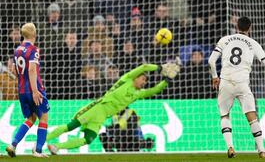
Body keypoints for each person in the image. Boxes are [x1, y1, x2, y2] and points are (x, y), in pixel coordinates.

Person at [46, 62, 181, 154]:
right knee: (70, 126)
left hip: (102, 117)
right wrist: (159, 67)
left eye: (145, 81)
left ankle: (56, 147)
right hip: (97, 107)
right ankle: (41, 141)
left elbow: (154, 90)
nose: (144, 83)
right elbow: (144, 66)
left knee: (88, 139)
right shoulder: (126, 79)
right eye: (143, 80)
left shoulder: (137, 94)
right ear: (136, 78)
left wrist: (167, 80)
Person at [208, 17, 265, 158]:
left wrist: (215, 77)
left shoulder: (224, 39)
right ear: (249, 28)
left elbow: (211, 61)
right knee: (252, 117)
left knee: (225, 115)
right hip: (242, 83)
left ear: (236, 26)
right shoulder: (253, 43)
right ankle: (262, 150)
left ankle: (230, 147)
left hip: (226, 82)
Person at [5, 23, 50, 158]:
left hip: (22, 90)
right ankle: (38, 150)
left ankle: (13, 144)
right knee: (44, 116)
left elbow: (14, 70)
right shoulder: (34, 50)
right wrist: (35, 91)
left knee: (31, 118)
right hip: (33, 89)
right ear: (34, 34)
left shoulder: (17, 50)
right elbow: (31, 69)